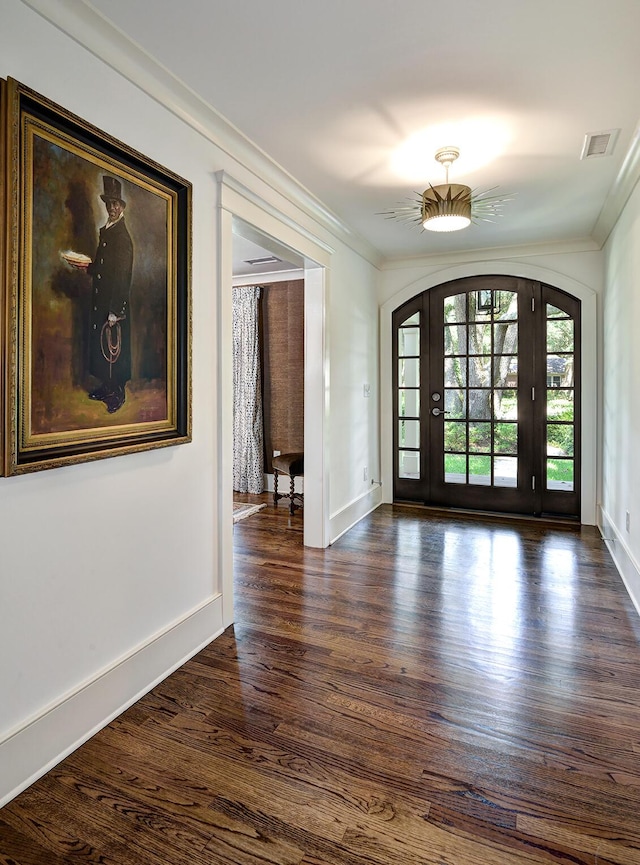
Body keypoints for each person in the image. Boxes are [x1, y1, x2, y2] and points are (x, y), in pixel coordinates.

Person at [70, 176, 133, 413]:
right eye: (109, 204)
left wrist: (116, 311)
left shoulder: (122, 237)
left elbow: (123, 276)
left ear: (122, 207)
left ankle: (117, 394)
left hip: (114, 304)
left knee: (115, 350)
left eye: (116, 204)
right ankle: (107, 388)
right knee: (103, 347)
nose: (112, 208)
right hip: (102, 299)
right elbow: (103, 266)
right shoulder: (108, 231)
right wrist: (87, 266)